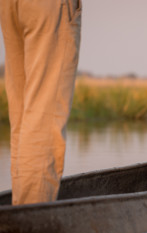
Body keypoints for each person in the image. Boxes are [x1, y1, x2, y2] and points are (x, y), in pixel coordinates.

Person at [0, 0, 82, 205]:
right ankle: (32, 222)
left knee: (23, 120)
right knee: (42, 125)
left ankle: (18, 216)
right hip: (49, 6)